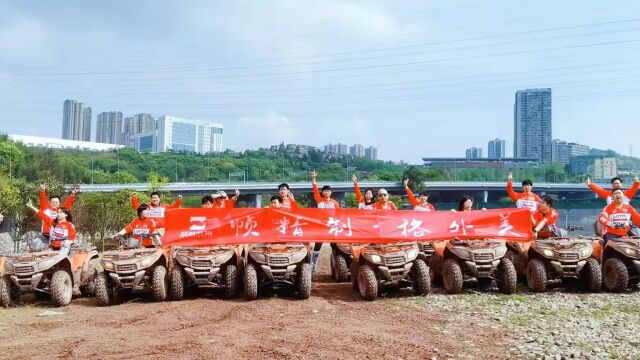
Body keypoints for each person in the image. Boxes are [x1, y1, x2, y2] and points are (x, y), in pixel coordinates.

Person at [310, 170, 341, 272]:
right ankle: (312, 267)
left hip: (332, 226)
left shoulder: (335, 202)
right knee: (317, 246)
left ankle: (337, 266)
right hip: (321, 226)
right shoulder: (319, 200)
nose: (326, 192)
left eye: (328, 191)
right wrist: (313, 178)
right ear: (322, 193)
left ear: (331, 192)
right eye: (325, 191)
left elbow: (339, 214)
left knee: (335, 246)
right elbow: (315, 189)